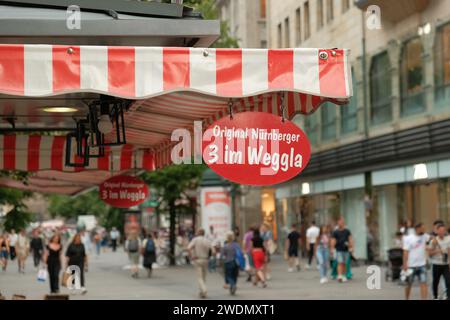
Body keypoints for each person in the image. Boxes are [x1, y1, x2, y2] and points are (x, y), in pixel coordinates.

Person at [402, 223, 429, 300]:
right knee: (408, 284)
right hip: (411, 265)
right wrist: (405, 264)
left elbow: (433, 240)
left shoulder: (425, 236)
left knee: (423, 283)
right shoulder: (409, 238)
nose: (424, 230)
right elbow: (405, 252)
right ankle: (407, 298)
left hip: (422, 264)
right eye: (423, 228)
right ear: (417, 229)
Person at [188, 229, 212, 298]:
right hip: (206, 259)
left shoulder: (195, 240)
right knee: (204, 277)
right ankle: (202, 293)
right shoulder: (207, 240)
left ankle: (204, 289)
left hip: (198, 259)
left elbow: (188, 248)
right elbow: (213, 251)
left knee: (199, 277)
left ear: (198, 233)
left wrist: (192, 256)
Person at [428, 223, 450, 300]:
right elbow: (429, 253)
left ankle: (448, 296)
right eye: (440, 230)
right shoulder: (433, 241)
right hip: (436, 264)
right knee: (435, 281)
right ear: (437, 231)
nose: (442, 232)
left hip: (445, 264)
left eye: (443, 230)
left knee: (448, 281)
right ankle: (435, 296)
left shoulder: (448, 239)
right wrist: (437, 250)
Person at [330, 217, 353, 283]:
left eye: (342, 222)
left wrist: (351, 247)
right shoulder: (335, 232)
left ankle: (344, 275)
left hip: (346, 250)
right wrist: (332, 249)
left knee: (345, 263)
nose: (340, 223)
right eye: (339, 222)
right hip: (338, 250)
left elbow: (350, 239)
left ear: (343, 223)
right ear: (338, 223)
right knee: (340, 262)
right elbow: (333, 240)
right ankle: (340, 275)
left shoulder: (347, 231)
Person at [221, 231, 239, 295]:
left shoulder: (225, 246)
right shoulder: (236, 245)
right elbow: (240, 253)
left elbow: (222, 255)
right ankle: (232, 288)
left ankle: (233, 285)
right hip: (236, 262)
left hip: (228, 262)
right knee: (234, 275)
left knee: (229, 275)